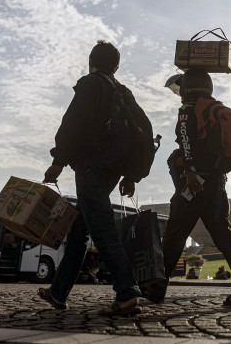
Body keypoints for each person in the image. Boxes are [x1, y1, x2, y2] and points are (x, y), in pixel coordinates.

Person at [38, 40, 143, 316]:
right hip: (113, 169)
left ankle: (126, 292)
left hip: (91, 167)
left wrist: (57, 163)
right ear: (116, 67)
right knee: (78, 229)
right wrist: (130, 175)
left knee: (102, 227)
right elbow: (137, 135)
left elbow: (72, 124)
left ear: (90, 61)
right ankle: (58, 292)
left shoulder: (91, 84)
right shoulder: (123, 92)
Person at [160, 69, 231, 306]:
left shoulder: (188, 110)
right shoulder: (217, 110)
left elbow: (185, 140)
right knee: (224, 236)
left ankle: (154, 286)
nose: (179, 94)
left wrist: (191, 171)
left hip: (194, 183)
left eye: (181, 88)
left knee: (175, 233)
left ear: (188, 89)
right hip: (216, 183)